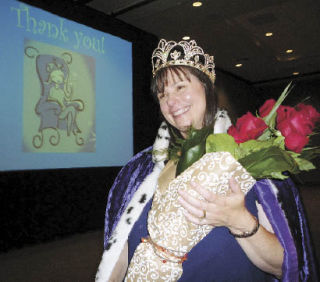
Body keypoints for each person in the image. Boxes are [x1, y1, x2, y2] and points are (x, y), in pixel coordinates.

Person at [96, 39, 318, 282]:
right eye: (163, 94)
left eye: (180, 87)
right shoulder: (141, 170)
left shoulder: (245, 155)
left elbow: (285, 266)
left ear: (206, 87)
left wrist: (237, 220)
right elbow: (119, 252)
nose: (171, 101)